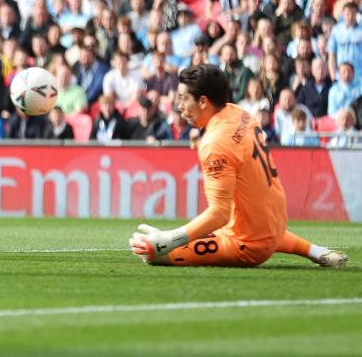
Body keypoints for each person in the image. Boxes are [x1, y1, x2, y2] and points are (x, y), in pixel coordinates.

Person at [129, 64, 347, 268]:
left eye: (183, 98)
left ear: (203, 102)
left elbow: (219, 214)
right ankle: (315, 250)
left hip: (249, 245)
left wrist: (169, 239)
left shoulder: (215, 143)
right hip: (276, 224)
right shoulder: (239, 113)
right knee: (251, 216)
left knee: (153, 254)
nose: (179, 106)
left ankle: (165, 246)